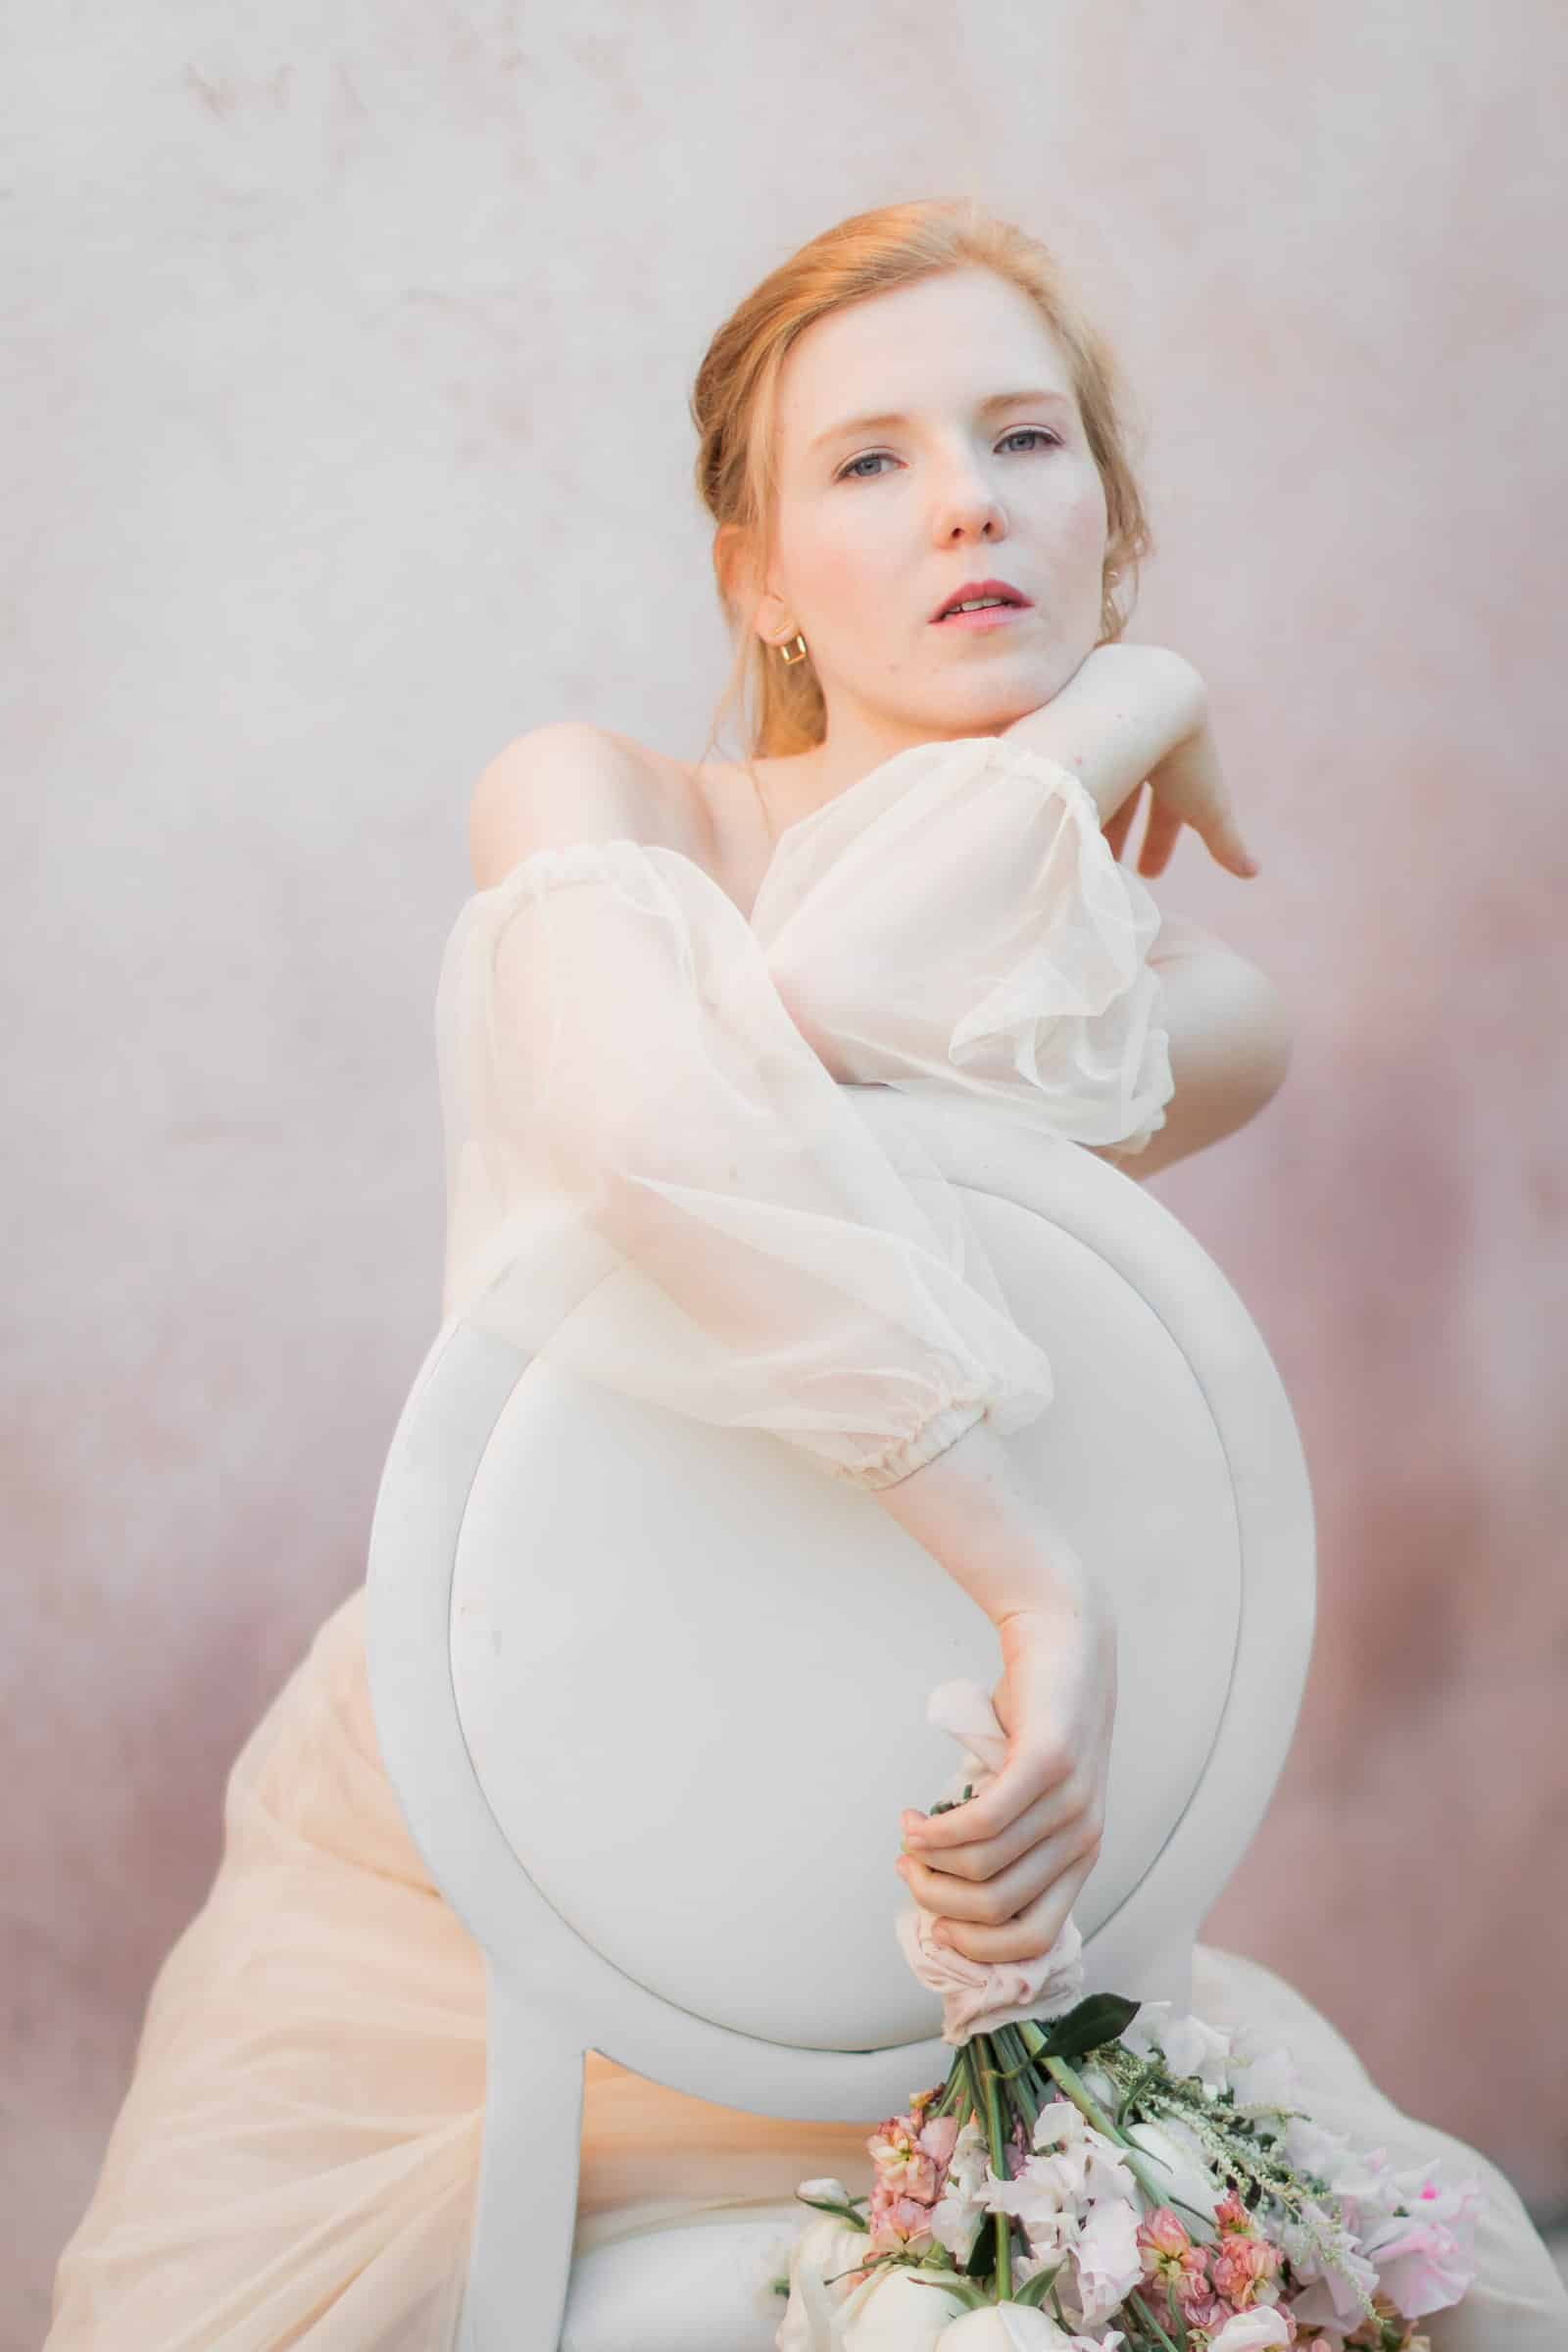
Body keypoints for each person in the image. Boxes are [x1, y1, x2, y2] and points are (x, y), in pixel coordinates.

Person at [45, 199, 1568, 2351]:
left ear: (1105, 513)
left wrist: (1110, 698)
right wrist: (1031, 1571)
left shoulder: (1188, 1005)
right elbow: (706, 1099)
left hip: (912, 1902)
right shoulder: (589, 802)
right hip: (473, 1904)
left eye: (1024, 440)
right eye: (865, 461)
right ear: (753, 576)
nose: (963, 499)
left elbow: (858, 1010)